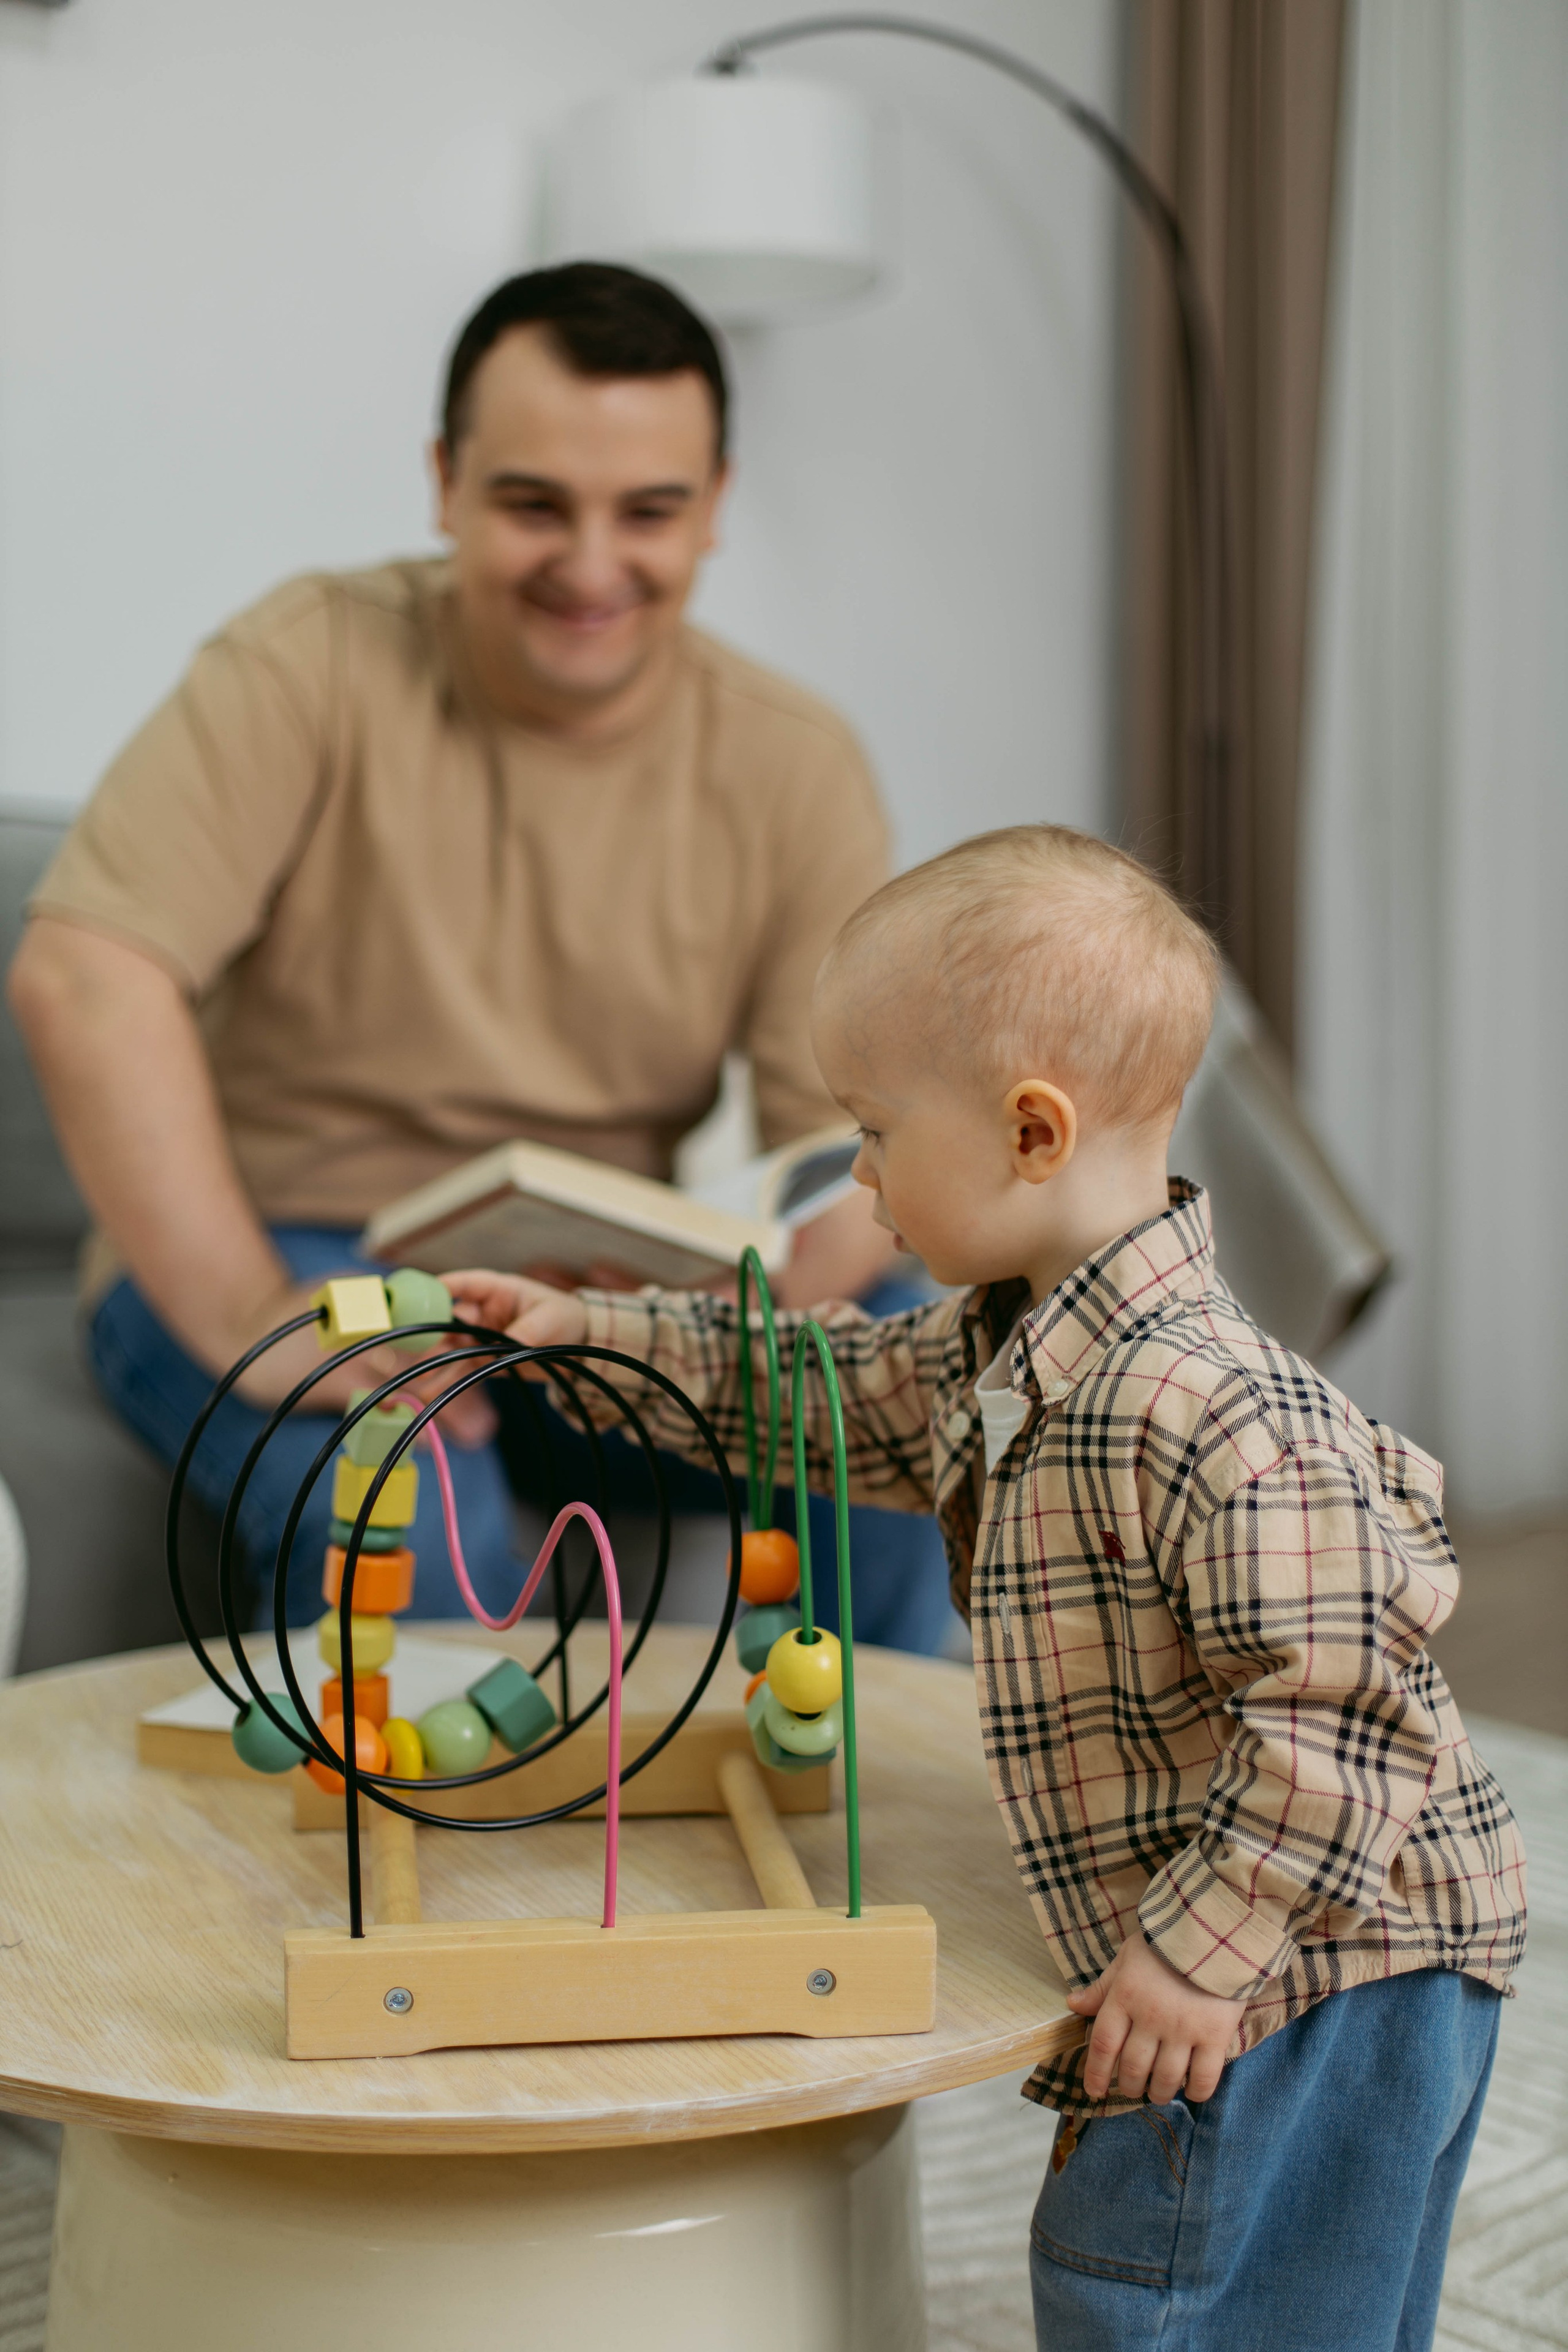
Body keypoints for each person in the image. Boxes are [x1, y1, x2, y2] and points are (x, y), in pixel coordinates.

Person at [444, 823, 1527, 2352]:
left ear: (1031, 1132)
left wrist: (1193, 1953)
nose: (863, 1184)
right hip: (1267, 1937)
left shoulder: (1208, 1409)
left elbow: (1342, 1718)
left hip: (1324, 1963)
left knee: (1158, 2294)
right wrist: (594, 1337)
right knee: (1256, 2296)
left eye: (874, 1133)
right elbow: (812, 1393)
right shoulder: (1006, 1340)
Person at [7, 261, 955, 1649]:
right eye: (530, 504)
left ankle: (863, 1837)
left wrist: (751, 1323)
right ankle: (452, 1870)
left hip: (593, 1295)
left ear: (715, 509)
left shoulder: (793, 762)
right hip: (295, 1248)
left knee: (897, 1379)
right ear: (445, 483)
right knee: (413, 1491)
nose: (589, 564)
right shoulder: (306, 664)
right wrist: (264, 1315)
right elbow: (85, 977)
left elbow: (853, 1144)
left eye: (647, 511)